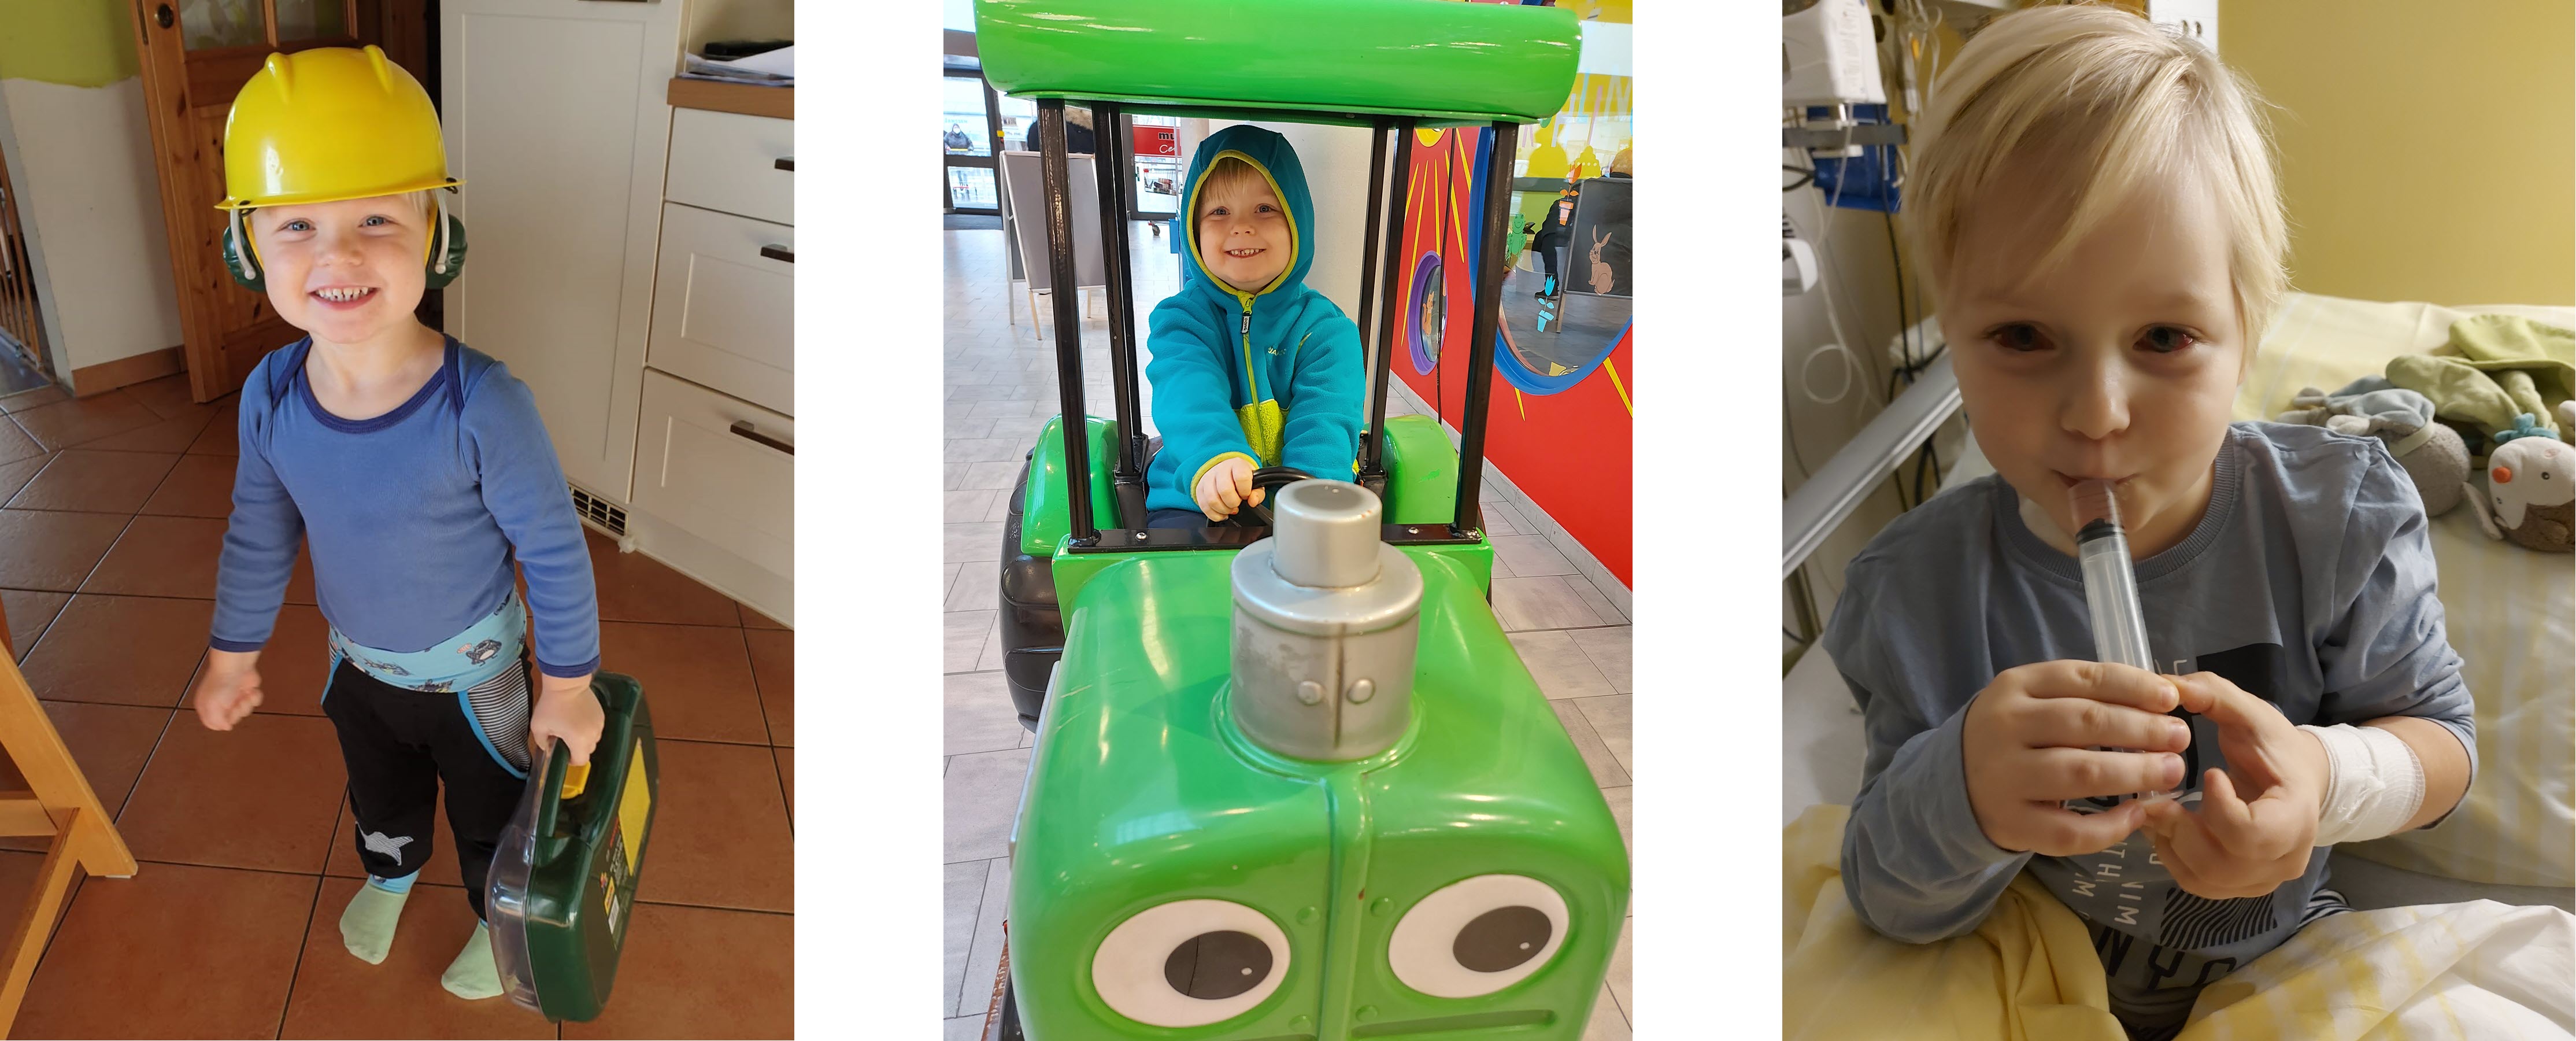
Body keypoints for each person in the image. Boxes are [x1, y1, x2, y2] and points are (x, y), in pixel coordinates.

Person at [1820, 9, 2474, 1039]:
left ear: (2247, 334)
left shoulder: (2336, 520)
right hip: (2033, 969)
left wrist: (2323, 781)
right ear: (1951, 333)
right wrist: (1964, 791)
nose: (2096, 414)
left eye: (2164, 337)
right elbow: (1888, 898)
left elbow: (2444, 749)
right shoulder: (1915, 590)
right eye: (2022, 335)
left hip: (2284, 966)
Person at [188, 46, 604, 1001]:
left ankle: (492, 914)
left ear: (436, 235)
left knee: (494, 816)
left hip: (479, 683)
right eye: (297, 225)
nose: (337, 256)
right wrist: (231, 656)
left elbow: (553, 550)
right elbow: (258, 532)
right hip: (359, 671)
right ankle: (389, 871)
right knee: (381, 796)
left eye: (377, 218)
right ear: (248, 251)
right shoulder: (270, 395)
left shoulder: (483, 405)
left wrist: (570, 685)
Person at [1142, 125, 1363, 526]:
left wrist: (1312, 498)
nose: (1241, 227)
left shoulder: (1327, 330)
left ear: (1298, 222)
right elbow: (1187, 392)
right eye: (1219, 212)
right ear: (1193, 231)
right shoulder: (1181, 320)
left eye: (1264, 209)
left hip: (1304, 503)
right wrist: (1216, 458)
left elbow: (1327, 423)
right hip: (1194, 499)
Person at [1526, 183, 1578, 298]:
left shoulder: (1560, 203)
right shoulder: (1581, 204)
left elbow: (1549, 224)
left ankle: (1551, 290)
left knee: (1551, 265)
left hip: (1550, 235)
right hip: (1562, 236)